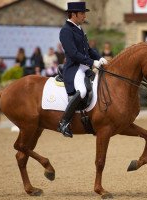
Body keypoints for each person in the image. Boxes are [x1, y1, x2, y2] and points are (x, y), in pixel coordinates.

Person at [58, 2, 108, 138]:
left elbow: (89, 50)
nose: (84, 16)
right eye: (82, 13)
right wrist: (92, 62)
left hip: (84, 67)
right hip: (74, 68)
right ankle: (64, 122)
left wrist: (101, 58)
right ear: (73, 14)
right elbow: (73, 53)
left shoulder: (79, 29)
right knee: (83, 91)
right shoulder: (66, 31)